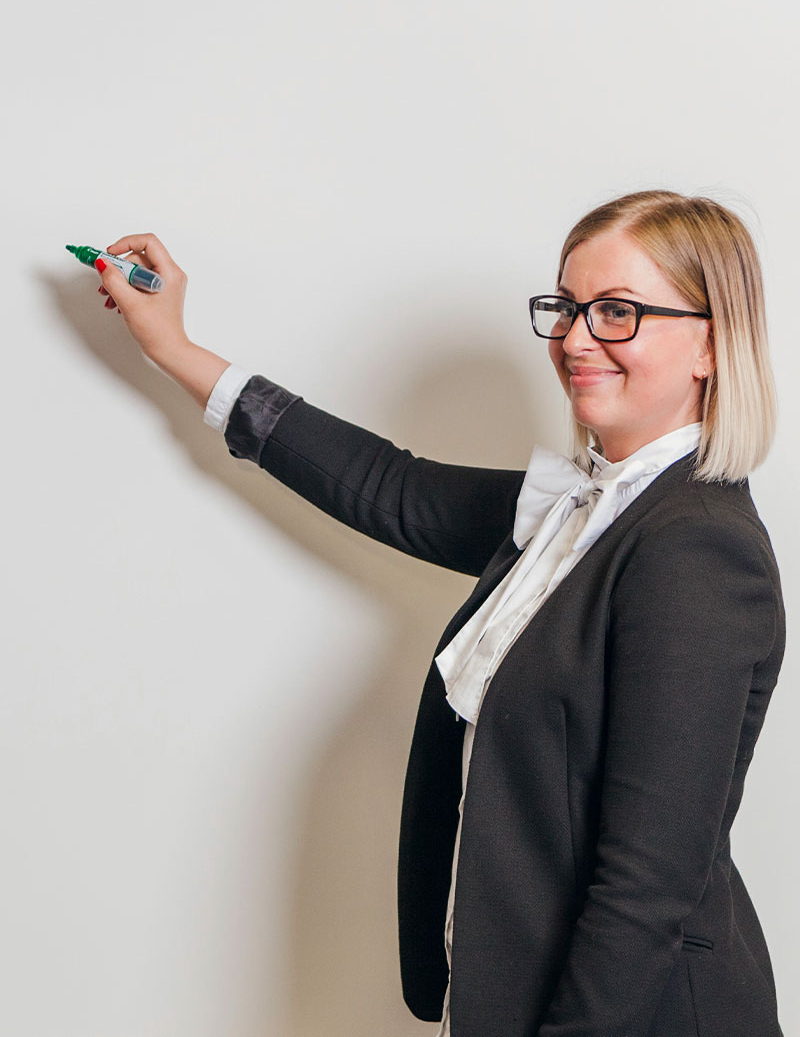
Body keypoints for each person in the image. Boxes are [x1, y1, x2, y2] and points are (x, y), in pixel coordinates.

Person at [93, 189, 785, 1037]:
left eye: (616, 311)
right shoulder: (581, 514)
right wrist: (176, 348)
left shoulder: (696, 552)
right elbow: (393, 489)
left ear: (712, 342)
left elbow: (648, 890)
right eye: (565, 308)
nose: (574, 339)